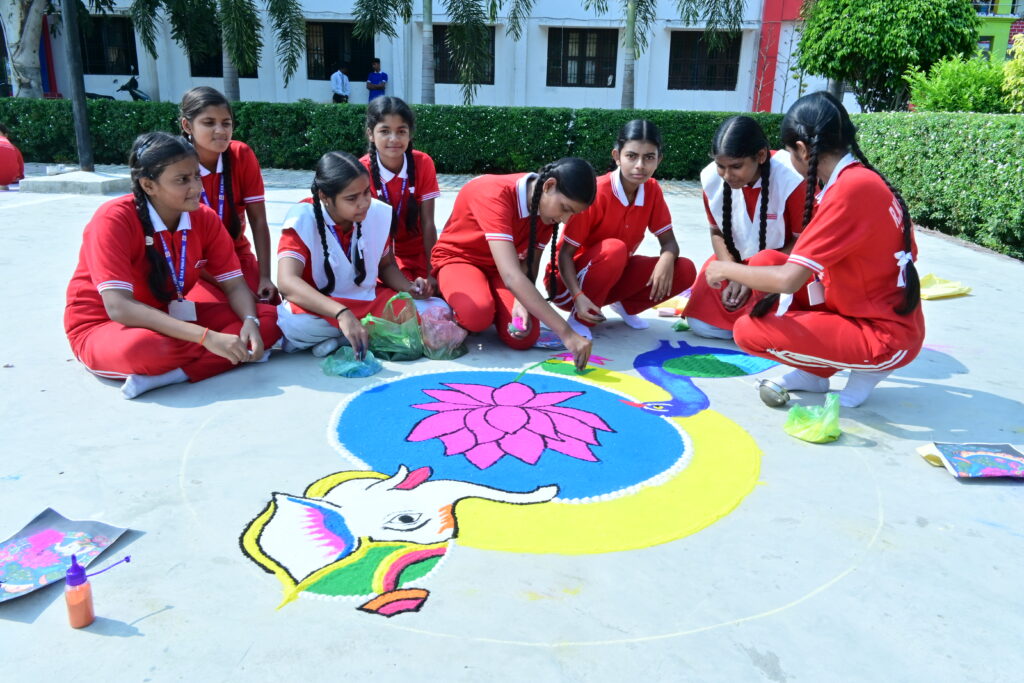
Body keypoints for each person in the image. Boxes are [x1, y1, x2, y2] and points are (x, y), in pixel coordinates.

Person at [705, 92, 925, 408]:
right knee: (766, 260)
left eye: (788, 152)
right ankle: (814, 372)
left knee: (748, 332)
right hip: (859, 309)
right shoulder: (858, 181)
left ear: (803, 149)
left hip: (885, 335)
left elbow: (788, 280)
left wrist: (725, 268)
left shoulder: (851, 190)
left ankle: (872, 367)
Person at [63, 132, 281, 399]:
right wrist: (207, 337)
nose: (197, 187)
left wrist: (249, 320)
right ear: (148, 185)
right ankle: (213, 357)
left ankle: (173, 375)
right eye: (182, 180)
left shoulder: (204, 218)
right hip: (105, 324)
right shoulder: (113, 219)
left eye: (197, 176)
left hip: (167, 314)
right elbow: (118, 307)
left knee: (269, 319)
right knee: (148, 349)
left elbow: (235, 285)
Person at [431, 158, 596, 369]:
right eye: (565, 208)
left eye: (572, 213)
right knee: (476, 315)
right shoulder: (495, 194)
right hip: (460, 259)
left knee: (524, 336)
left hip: (503, 270)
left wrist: (521, 300)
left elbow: (530, 263)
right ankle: (448, 297)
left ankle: (489, 301)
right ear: (549, 185)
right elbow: (511, 276)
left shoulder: (545, 209)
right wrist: (567, 333)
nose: (565, 219)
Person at [549, 120, 695, 340]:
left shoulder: (652, 190)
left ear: (659, 160)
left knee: (684, 269)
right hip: (567, 288)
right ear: (617, 156)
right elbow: (564, 255)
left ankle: (626, 305)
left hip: (613, 277)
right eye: (631, 156)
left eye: (649, 157)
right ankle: (580, 318)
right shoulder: (597, 191)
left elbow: (669, 243)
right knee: (615, 249)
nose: (640, 165)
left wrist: (666, 258)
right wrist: (577, 295)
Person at [276, 151, 432, 357]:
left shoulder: (377, 212)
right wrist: (341, 313)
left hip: (365, 299)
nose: (364, 203)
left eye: (366, 192)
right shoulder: (302, 218)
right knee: (294, 324)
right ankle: (359, 333)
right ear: (324, 196)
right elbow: (286, 282)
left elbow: (386, 266)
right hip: (321, 306)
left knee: (432, 310)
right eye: (352, 198)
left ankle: (341, 340)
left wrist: (410, 288)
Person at [685, 115, 808, 340]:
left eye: (736, 166)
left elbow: (804, 242)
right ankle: (754, 331)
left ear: (761, 156)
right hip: (736, 261)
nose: (727, 175)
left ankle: (756, 330)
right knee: (699, 323)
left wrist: (748, 277)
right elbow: (716, 232)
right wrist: (732, 271)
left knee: (764, 260)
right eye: (720, 166)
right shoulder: (711, 178)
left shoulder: (792, 176)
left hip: (780, 267)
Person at [179, 87, 277, 304]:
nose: (220, 130)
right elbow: (179, 247)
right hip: (194, 265)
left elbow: (258, 221)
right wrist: (234, 287)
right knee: (219, 313)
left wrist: (265, 277)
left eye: (226, 123)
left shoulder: (241, 155)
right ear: (187, 125)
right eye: (209, 123)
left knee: (268, 308)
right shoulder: (174, 166)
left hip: (235, 256)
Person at [360, 96, 440, 289]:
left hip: (422, 253)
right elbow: (370, 232)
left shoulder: (423, 163)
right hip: (385, 256)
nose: (394, 139)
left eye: (401, 131)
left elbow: (428, 223)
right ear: (371, 134)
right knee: (398, 296)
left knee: (441, 290)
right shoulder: (361, 170)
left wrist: (433, 272)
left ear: (410, 134)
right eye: (385, 131)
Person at [0, 123, 25, 189]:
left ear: (5, 135)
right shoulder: (13, 148)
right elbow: (21, 168)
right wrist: (20, 176)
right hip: (11, 179)